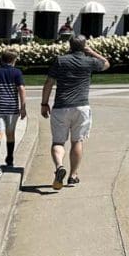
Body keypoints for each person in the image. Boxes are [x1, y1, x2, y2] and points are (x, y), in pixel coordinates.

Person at [40, 35, 110, 190]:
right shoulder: (89, 61)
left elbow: (49, 83)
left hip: (61, 107)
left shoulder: (60, 60)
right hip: (81, 107)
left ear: (69, 45)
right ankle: (73, 176)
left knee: (58, 142)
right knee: (77, 142)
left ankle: (59, 166)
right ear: (84, 46)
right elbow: (106, 64)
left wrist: (44, 103)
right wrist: (91, 51)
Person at [0, 50, 27, 175]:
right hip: (12, 108)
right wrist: (23, 107)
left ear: (2, 60)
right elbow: (21, 90)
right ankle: (9, 159)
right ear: (14, 61)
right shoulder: (17, 73)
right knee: (10, 134)